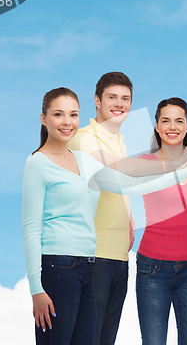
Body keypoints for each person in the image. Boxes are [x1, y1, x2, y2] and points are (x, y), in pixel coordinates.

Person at [22, 88, 187, 345]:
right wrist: (36, 288)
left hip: (88, 265)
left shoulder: (85, 161)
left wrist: (186, 168)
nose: (67, 121)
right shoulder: (38, 163)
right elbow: (30, 228)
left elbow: (130, 184)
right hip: (56, 266)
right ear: (43, 118)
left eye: (73, 115)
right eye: (58, 114)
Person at [136, 98, 187, 345]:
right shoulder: (145, 164)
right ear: (157, 127)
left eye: (179, 121)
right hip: (152, 270)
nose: (173, 126)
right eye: (165, 121)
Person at [69, 72, 135, 345]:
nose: (119, 104)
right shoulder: (83, 138)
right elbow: (111, 176)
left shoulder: (122, 141)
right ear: (97, 101)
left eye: (125, 99)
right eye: (112, 97)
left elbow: (122, 188)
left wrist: (130, 220)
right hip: (92, 257)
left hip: (119, 257)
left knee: (106, 339)